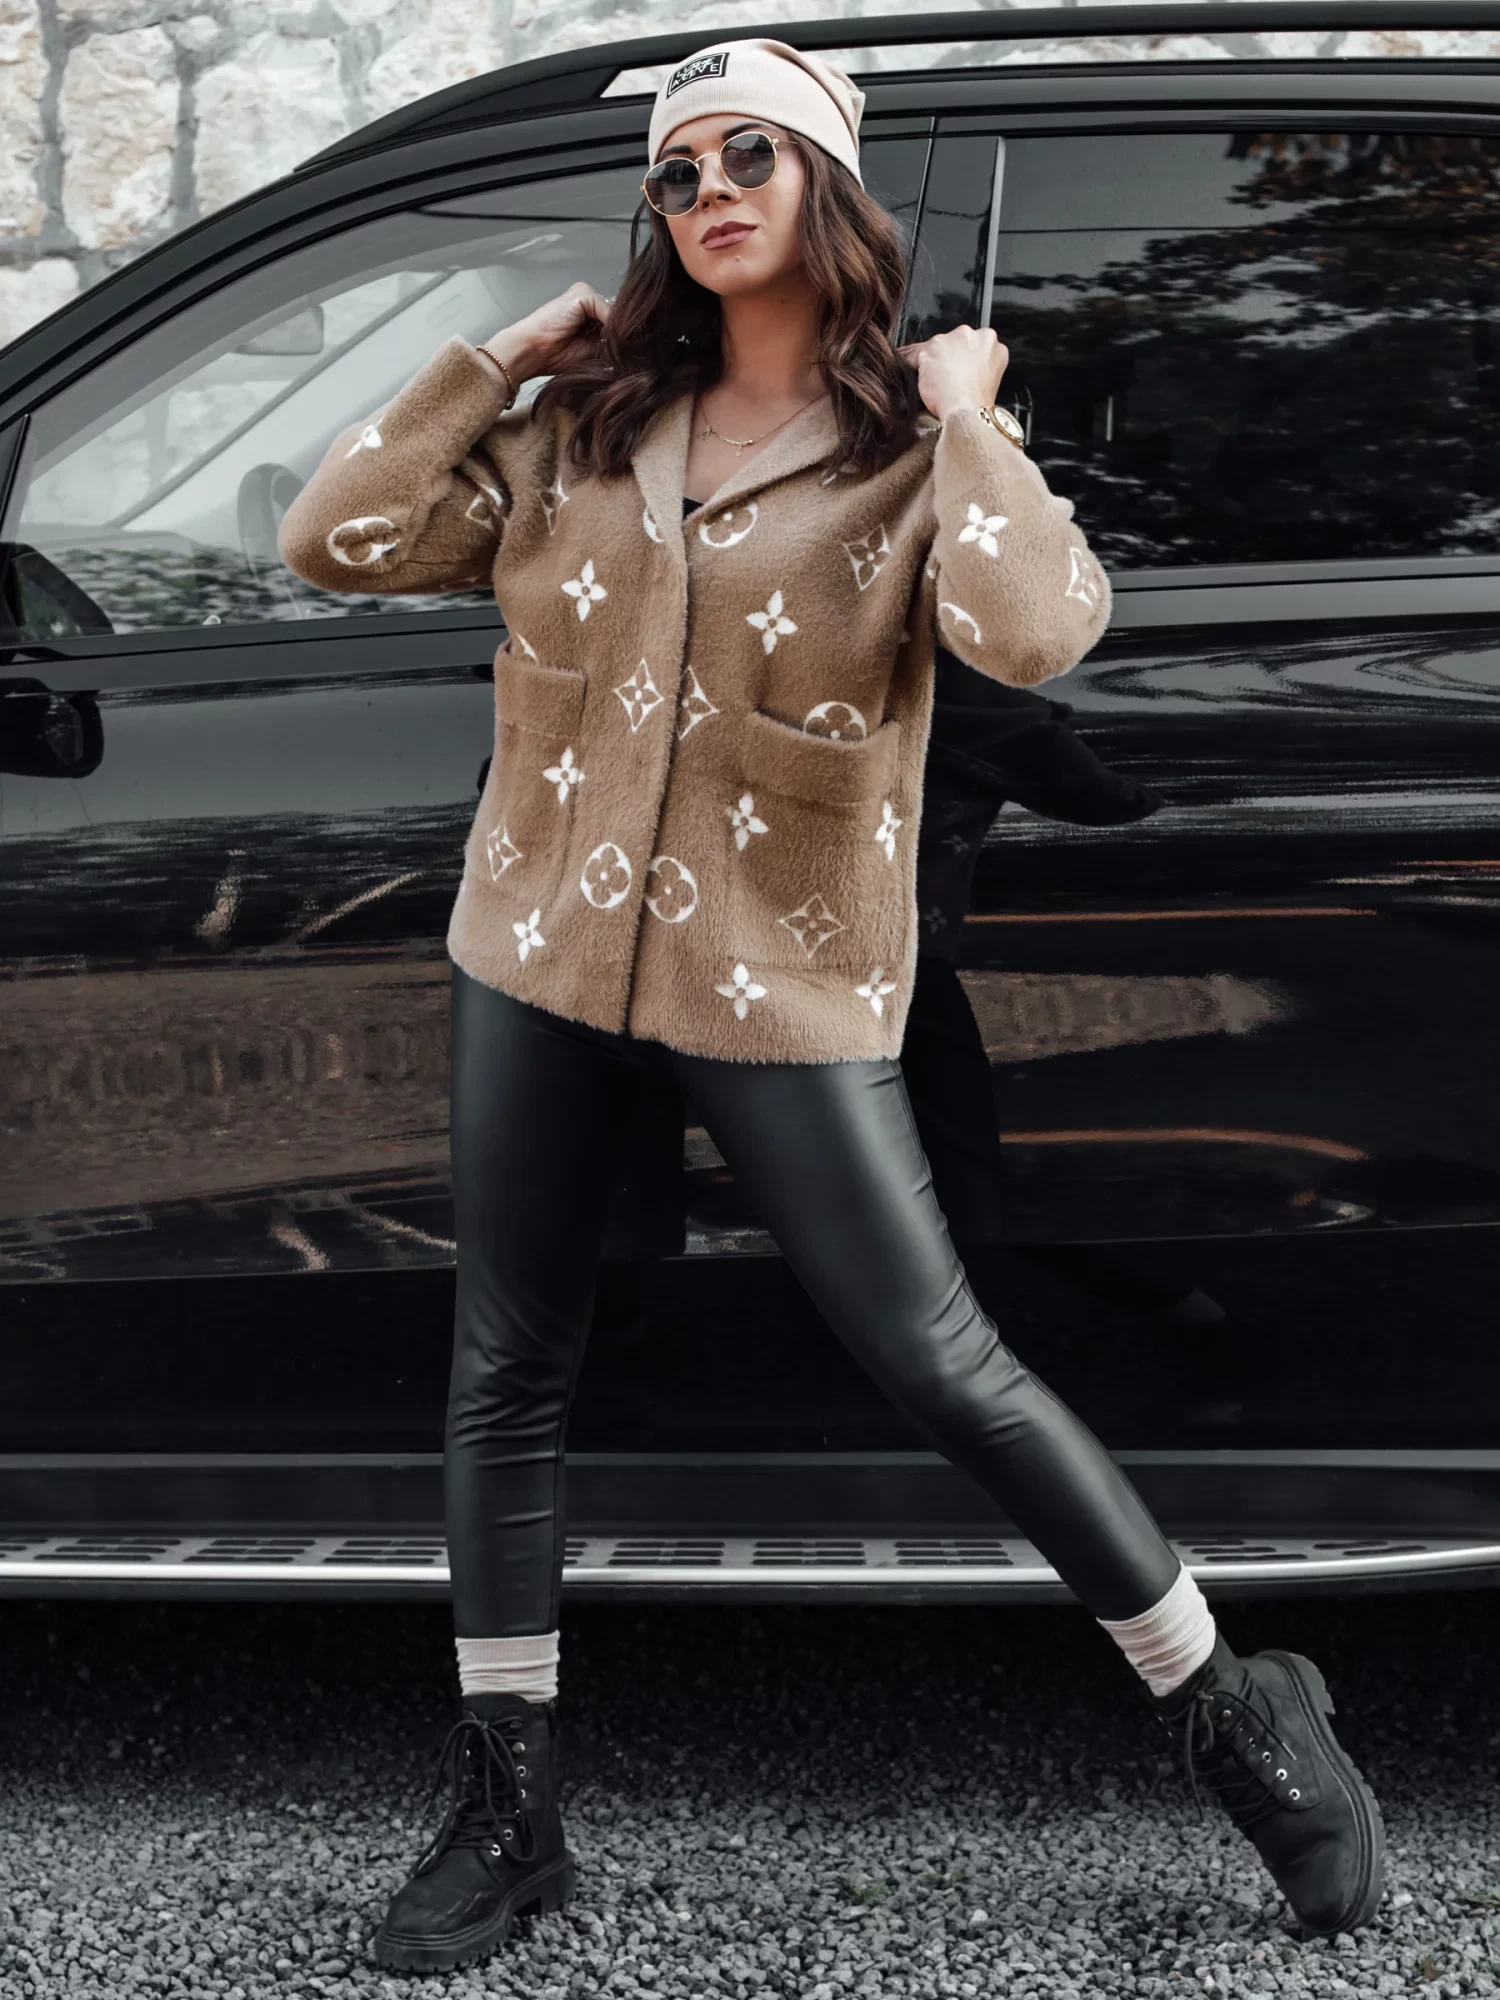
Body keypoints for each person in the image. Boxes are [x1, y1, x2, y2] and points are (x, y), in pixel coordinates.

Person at [276, 37, 1386, 1973]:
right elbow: (333, 537)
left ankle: (1238, 1709)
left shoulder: (899, 449)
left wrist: (971, 420)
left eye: (750, 157)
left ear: (825, 190)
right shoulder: (583, 429)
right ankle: (509, 1808)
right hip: (535, 952)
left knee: (943, 1362)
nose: (710, 191)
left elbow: (1035, 629)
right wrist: (503, 356)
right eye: (678, 169)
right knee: (508, 1372)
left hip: (780, 977)